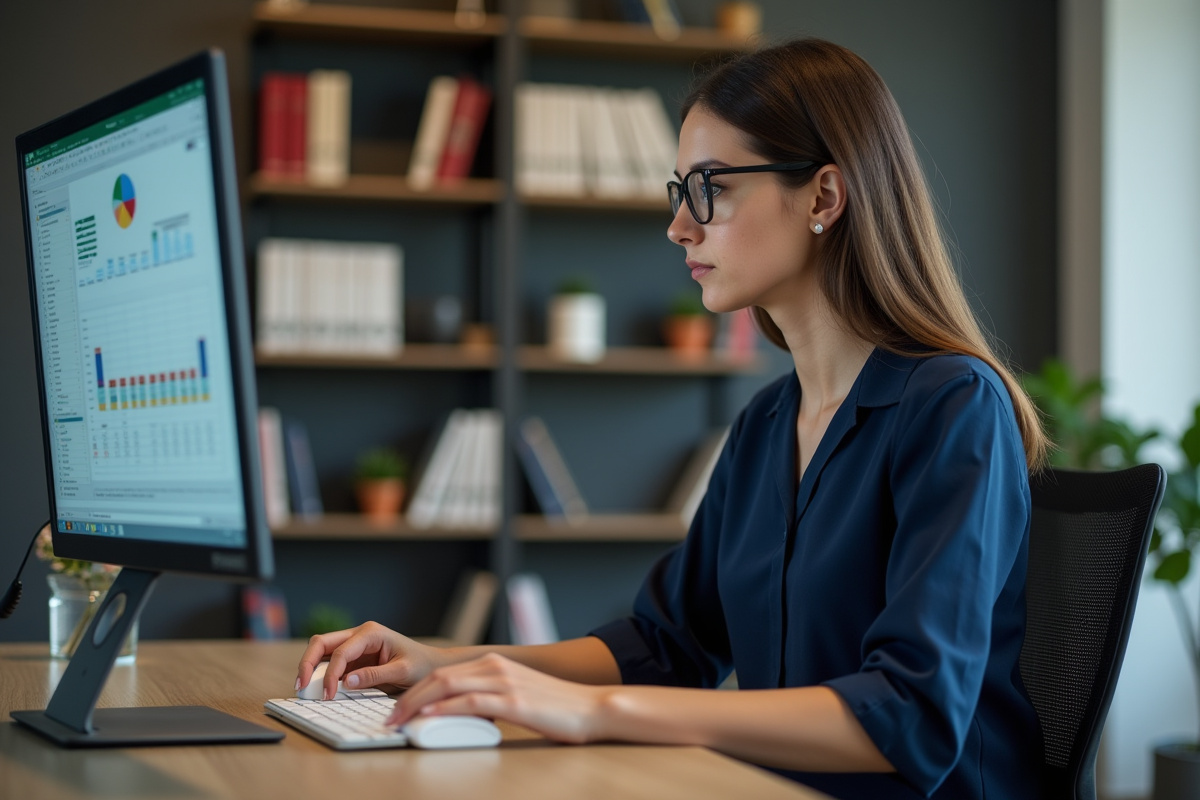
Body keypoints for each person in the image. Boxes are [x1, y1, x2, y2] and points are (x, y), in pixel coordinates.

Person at [296, 38, 1050, 800]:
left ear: (824, 196)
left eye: (711, 189)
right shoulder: (765, 425)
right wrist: (441, 663)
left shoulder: (954, 407)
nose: (680, 228)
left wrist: (595, 712)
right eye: (679, 192)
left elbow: (910, 715)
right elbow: (666, 644)